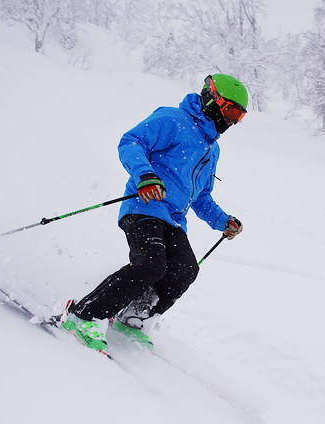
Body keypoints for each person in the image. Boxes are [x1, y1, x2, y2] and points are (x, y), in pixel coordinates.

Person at [59, 74, 248, 353]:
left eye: (240, 117)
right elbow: (131, 141)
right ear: (212, 99)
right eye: (232, 111)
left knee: (185, 270)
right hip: (144, 206)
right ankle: (83, 315)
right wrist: (145, 175)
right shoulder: (173, 119)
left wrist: (223, 221)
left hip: (173, 220)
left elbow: (202, 196)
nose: (233, 121)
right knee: (150, 264)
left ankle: (133, 316)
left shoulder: (212, 148)